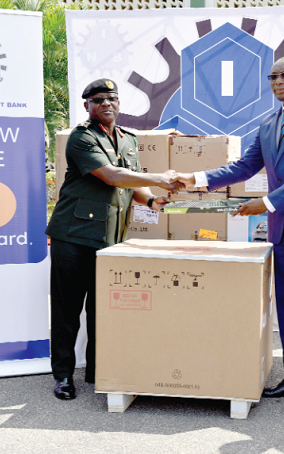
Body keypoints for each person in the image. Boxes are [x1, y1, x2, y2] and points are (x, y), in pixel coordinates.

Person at [176, 56, 284, 410]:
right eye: (273, 76)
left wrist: (265, 203)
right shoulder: (267, 123)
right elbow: (245, 166)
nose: (278, 81)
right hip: (282, 231)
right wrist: (196, 179)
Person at [45, 79, 181, 400]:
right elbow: (112, 176)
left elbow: (131, 184)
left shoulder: (129, 141)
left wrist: (151, 200)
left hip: (109, 240)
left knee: (101, 309)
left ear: (119, 104)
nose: (106, 103)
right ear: (87, 106)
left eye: (112, 98)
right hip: (73, 238)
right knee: (67, 311)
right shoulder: (82, 138)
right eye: (98, 99)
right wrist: (160, 178)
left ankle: (96, 369)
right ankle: (63, 375)